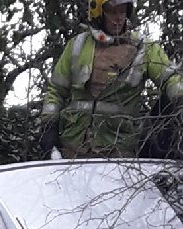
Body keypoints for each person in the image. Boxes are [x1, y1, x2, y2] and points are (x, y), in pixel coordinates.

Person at [39, 1, 183, 159]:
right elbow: (56, 91)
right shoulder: (77, 45)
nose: (118, 18)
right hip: (72, 150)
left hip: (120, 153)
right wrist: (49, 126)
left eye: (122, 11)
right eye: (112, 12)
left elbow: (170, 78)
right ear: (98, 12)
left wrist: (179, 100)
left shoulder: (144, 48)